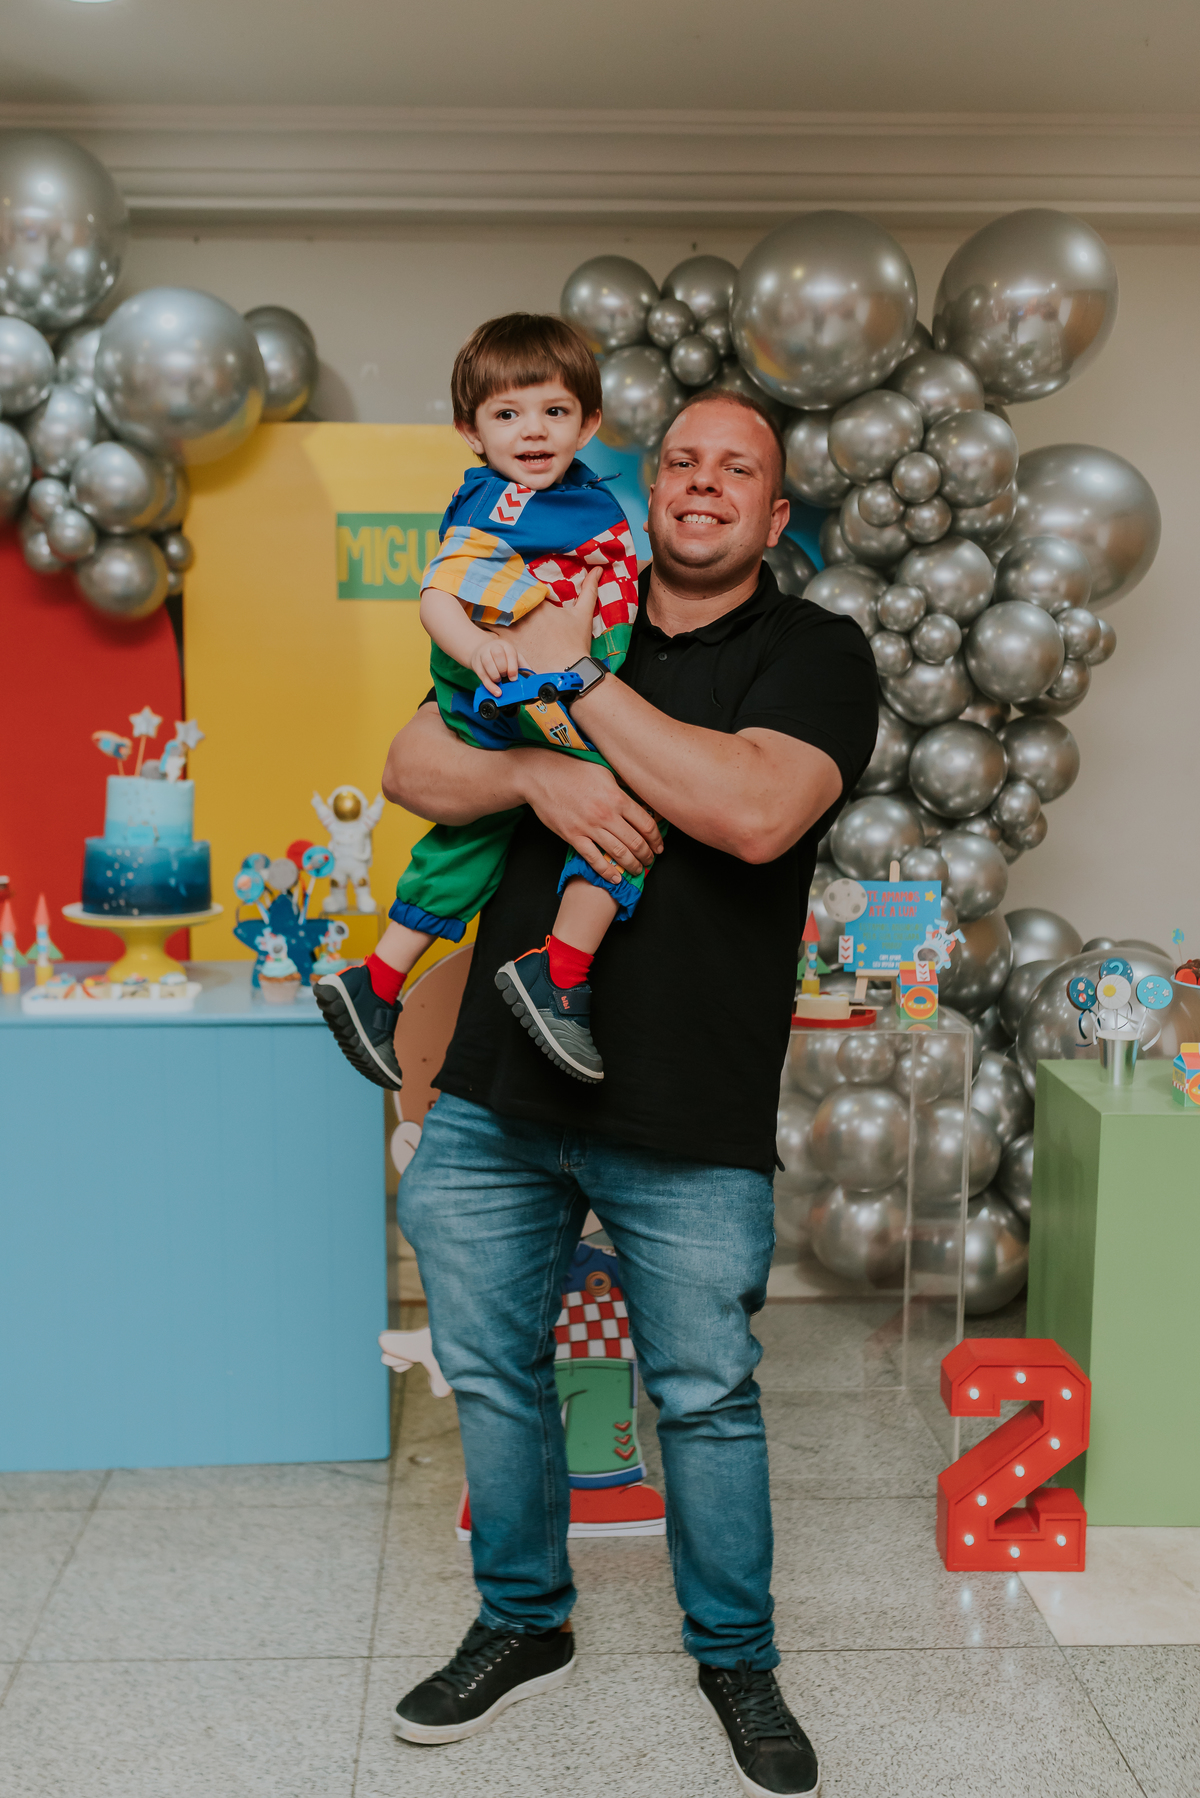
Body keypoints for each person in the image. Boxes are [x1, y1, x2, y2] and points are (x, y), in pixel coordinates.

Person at [384, 389, 878, 1797]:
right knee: (491, 1374)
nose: (704, 482)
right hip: (495, 1088)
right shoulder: (565, 586)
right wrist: (533, 768)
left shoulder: (814, 651)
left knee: (705, 1395)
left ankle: (735, 1653)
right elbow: (412, 761)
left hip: (688, 1107)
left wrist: (574, 686)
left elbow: (753, 809)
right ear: (645, 484)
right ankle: (522, 1621)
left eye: (739, 470)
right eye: (682, 460)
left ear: (776, 517)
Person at [315, 313, 646, 1091]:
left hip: (537, 691)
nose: (532, 432)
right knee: (628, 806)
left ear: (588, 422)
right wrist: (478, 649)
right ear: (471, 430)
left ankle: (379, 981)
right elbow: (438, 595)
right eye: (508, 414)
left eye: (554, 412)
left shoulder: (579, 501)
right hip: (513, 690)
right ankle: (559, 973)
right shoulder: (498, 505)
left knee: (474, 836)